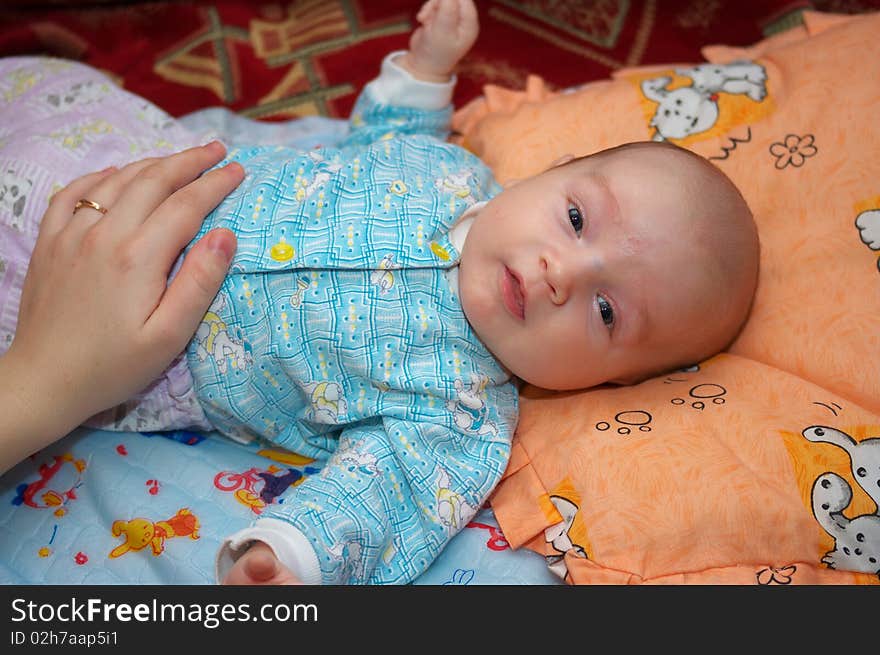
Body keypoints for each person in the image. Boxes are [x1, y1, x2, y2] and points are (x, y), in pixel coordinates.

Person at [0, 0, 759, 585]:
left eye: (606, 311)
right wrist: (425, 71)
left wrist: (289, 554)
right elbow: (387, 136)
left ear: (613, 380)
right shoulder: (454, 173)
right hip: (133, 166)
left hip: (116, 344)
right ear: (548, 171)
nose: (566, 270)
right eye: (575, 217)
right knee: (43, 98)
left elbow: (377, 500)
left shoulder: (461, 416)